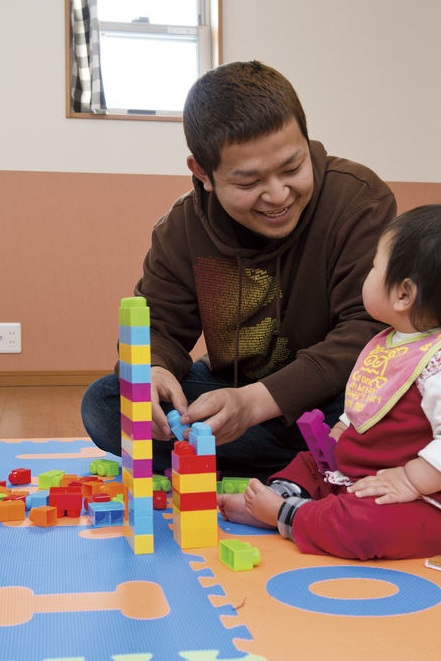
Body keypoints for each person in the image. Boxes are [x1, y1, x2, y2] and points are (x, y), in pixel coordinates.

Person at [80, 61, 398, 479]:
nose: (278, 195)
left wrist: (256, 403)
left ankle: (309, 459)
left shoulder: (358, 200)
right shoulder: (182, 228)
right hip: (239, 397)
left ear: (306, 139)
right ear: (202, 173)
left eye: (292, 168)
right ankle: (319, 466)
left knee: (399, 412)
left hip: (340, 397)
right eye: (248, 183)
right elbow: (158, 327)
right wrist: (153, 372)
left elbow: (366, 330)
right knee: (105, 403)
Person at [217, 204, 441, 561]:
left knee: (368, 525)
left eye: (375, 266)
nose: (367, 274)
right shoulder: (394, 340)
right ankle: (285, 494)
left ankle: (287, 514)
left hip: (429, 500)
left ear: (404, 294)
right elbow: (369, 399)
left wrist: (410, 480)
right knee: (311, 461)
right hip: (362, 472)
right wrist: (341, 430)